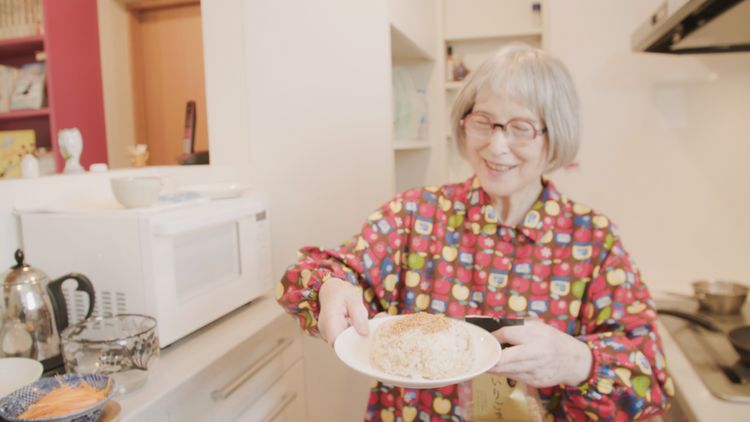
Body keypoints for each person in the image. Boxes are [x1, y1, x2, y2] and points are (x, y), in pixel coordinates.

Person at [276, 44, 673, 421]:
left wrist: (576, 361)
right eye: (483, 122)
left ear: (556, 137)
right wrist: (328, 287)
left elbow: (650, 377)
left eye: (521, 128)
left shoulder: (593, 240)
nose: (496, 146)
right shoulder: (414, 215)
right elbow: (310, 273)